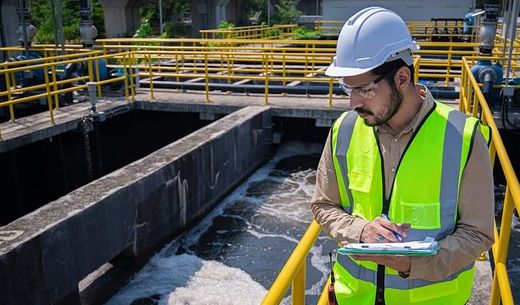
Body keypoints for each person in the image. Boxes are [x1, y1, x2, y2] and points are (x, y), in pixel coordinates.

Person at [311, 7, 494, 305]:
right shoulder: (343, 131)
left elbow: (478, 234)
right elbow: (323, 205)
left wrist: (413, 264)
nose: (353, 102)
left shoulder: (463, 138)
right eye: (347, 88)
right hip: (354, 299)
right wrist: (361, 230)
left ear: (401, 77)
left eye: (365, 89)